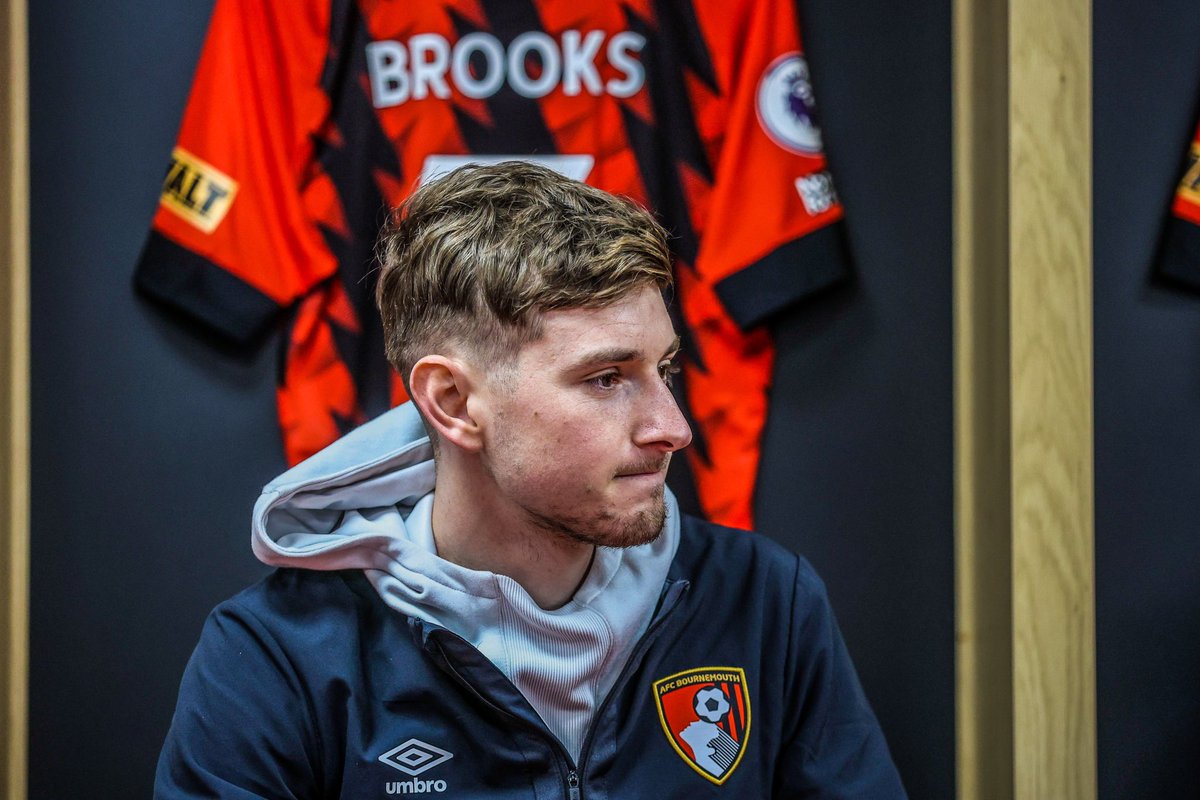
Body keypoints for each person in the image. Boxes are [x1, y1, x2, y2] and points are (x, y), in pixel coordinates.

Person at [155, 162, 906, 798]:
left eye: (664, 368)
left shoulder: (768, 604)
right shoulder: (276, 655)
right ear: (453, 402)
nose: (674, 427)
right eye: (608, 378)